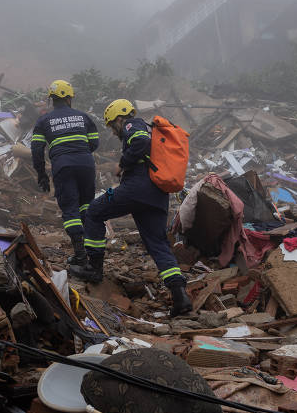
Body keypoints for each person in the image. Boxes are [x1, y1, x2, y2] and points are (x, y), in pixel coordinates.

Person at [68, 99, 192, 317]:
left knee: (95, 210)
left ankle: (93, 268)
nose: (113, 131)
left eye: (111, 125)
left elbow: (140, 143)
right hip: (157, 195)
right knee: (158, 243)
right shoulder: (149, 128)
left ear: (118, 118)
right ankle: (180, 295)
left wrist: (122, 164)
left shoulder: (131, 125)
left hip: (137, 187)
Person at [31, 80, 99, 266]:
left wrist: (41, 174)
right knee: (86, 205)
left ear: (52, 100)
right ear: (69, 99)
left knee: (70, 209)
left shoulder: (44, 121)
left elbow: (37, 149)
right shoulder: (83, 117)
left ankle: (79, 254)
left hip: (63, 166)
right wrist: (81, 153)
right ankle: (92, 250)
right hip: (86, 164)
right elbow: (94, 142)